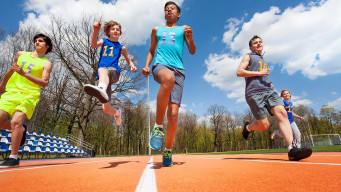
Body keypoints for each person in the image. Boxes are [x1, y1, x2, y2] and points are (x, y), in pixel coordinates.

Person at [236, 35, 312, 161]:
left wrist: (267, 81)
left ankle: (291, 150)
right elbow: (239, 72)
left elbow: (262, 75)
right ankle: (248, 127)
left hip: (269, 91)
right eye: (255, 43)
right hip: (254, 93)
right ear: (251, 46)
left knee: (282, 113)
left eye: (260, 42)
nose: (259, 44)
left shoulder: (262, 59)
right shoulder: (248, 56)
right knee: (264, 125)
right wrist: (259, 73)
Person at [142, 1, 196, 166]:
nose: (169, 10)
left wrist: (190, 38)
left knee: (173, 116)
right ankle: (158, 127)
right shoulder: (156, 30)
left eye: (172, 8)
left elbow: (192, 51)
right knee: (168, 78)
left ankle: (168, 151)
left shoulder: (183, 29)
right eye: (166, 9)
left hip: (179, 70)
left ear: (178, 14)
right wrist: (146, 65)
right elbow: (152, 50)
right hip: (161, 66)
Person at [0, 34, 53, 168]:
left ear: (47, 46)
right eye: (36, 41)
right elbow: (11, 70)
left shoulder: (46, 63)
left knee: (15, 122)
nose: (37, 43)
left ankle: (13, 157)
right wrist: (2, 85)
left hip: (30, 94)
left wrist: (25, 74)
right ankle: (22, 130)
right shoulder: (21, 54)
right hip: (12, 92)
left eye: (41, 41)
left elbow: (44, 83)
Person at [84, 20, 137, 126]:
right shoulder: (104, 41)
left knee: (102, 69)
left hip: (113, 72)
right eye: (113, 29)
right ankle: (117, 112)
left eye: (118, 29)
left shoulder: (122, 47)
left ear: (120, 33)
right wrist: (95, 30)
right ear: (108, 32)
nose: (116, 31)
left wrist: (132, 65)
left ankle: (101, 89)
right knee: (106, 109)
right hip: (103, 79)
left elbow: (128, 59)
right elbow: (94, 45)